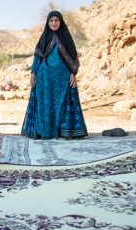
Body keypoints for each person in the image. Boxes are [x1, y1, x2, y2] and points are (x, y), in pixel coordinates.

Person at [21, 10, 87, 139]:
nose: (53, 23)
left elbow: (73, 59)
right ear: (48, 22)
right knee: (45, 104)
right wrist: (33, 73)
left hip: (62, 79)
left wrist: (73, 73)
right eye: (51, 20)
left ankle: (64, 132)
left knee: (62, 103)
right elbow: (37, 57)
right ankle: (43, 131)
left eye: (56, 20)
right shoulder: (44, 38)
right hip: (44, 79)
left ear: (60, 22)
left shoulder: (67, 38)